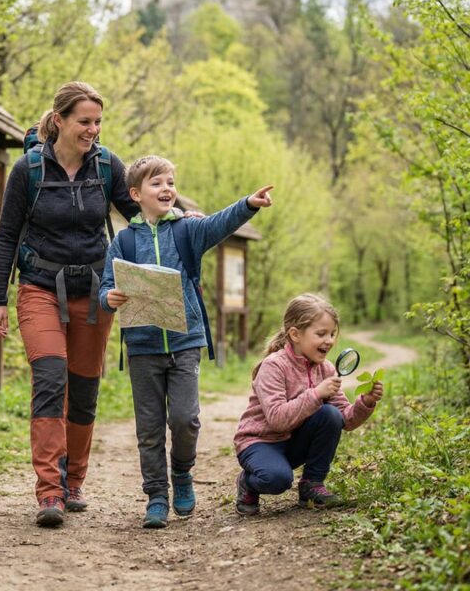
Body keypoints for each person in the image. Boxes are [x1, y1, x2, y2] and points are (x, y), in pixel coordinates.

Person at [0, 82, 139, 528]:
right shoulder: (28, 170)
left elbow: (138, 212)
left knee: (85, 390)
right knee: (51, 379)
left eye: (97, 122)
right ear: (60, 121)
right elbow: (6, 236)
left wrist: (176, 215)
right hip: (38, 288)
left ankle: (74, 482)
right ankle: (49, 491)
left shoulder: (107, 164)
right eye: (84, 122)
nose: (93, 130)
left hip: (95, 293)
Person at [98, 154, 273, 529]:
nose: (167, 189)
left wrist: (248, 205)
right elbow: (106, 286)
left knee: (185, 419)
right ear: (135, 193)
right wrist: (108, 298)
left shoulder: (186, 231)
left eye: (170, 182)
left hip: (185, 340)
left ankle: (182, 473)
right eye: (157, 183)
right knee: (148, 427)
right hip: (142, 347)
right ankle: (157, 496)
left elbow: (219, 224)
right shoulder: (125, 241)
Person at [233, 293, 384, 516]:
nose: (329, 340)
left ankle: (311, 484)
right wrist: (316, 394)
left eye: (332, 334)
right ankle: (248, 481)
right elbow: (277, 419)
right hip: (260, 442)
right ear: (295, 334)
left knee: (330, 414)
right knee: (277, 479)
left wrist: (366, 402)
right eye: (321, 334)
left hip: (292, 441)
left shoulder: (326, 369)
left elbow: (345, 420)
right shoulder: (274, 366)